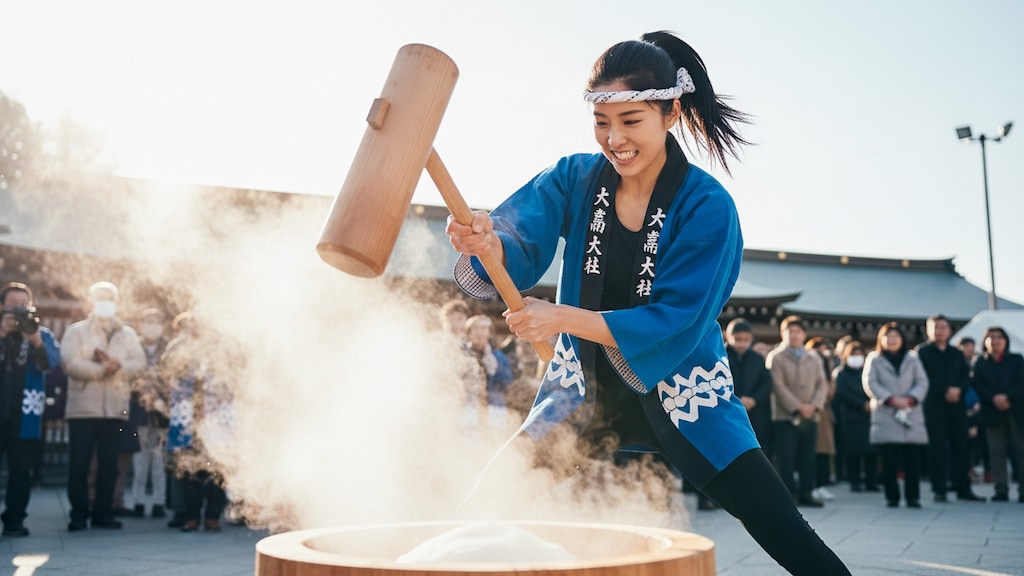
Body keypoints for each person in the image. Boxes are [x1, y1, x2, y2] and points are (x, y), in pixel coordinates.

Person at [445, 31, 849, 575]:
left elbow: (677, 318)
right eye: (602, 122)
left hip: (688, 399)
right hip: (580, 392)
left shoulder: (708, 205)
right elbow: (517, 240)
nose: (614, 139)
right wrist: (488, 243)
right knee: (481, 509)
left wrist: (561, 317)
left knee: (785, 532)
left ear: (671, 114)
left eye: (631, 121)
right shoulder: (574, 177)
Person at [60, 281, 146, 531]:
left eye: (110, 297)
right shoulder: (76, 331)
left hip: (116, 410)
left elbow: (138, 364)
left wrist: (117, 366)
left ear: (117, 303)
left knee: (110, 465)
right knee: (79, 464)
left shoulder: (128, 334)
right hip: (82, 410)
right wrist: (101, 369)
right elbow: (70, 364)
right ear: (90, 301)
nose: (105, 302)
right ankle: (78, 513)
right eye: (100, 297)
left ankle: (103, 513)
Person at [0, 282, 61, 536]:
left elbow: (51, 364)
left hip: (25, 413)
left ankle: (14, 520)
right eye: (13, 304)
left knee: (21, 471)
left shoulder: (42, 333)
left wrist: (35, 341)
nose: (18, 309)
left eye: (23, 305)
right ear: (2, 306)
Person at [162, 311, 231, 531]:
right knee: (190, 467)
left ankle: (213, 515)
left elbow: (235, 374)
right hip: (187, 413)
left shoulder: (222, 346)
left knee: (218, 467)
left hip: (217, 414)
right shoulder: (178, 346)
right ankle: (191, 515)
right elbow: (166, 370)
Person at [915, 314, 984, 503]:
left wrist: (958, 390)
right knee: (937, 448)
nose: (940, 330)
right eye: (936, 327)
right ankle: (939, 488)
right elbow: (923, 378)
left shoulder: (956, 353)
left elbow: (965, 376)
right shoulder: (922, 352)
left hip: (957, 406)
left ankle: (963, 487)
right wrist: (944, 390)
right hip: (934, 405)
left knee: (961, 447)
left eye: (943, 327)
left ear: (949, 330)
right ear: (928, 330)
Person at [863, 322, 929, 508]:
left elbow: (922, 382)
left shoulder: (913, 358)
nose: (892, 341)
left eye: (896, 337)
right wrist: (890, 399)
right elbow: (870, 383)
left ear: (902, 339)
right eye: (888, 337)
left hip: (910, 411)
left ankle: (913, 496)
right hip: (886, 412)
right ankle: (892, 496)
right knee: (889, 460)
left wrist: (910, 399)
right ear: (881, 340)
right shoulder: (874, 359)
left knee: (912, 460)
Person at [766, 316, 829, 508]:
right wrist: (797, 406)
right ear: (783, 334)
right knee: (786, 458)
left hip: (811, 415)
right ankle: (788, 495)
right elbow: (777, 385)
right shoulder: (775, 357)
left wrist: (813, 405)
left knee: (807, 457)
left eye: (798, 331)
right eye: (790, 331)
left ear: (804, 334)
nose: (794, 335)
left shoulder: (814, 357)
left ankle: (807, 492)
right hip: (785, 415)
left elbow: (822, 384)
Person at [971, 326, 1024, 502]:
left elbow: (1021, 382)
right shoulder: (980, 362)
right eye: (991, 337)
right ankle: (1001, 489)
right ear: (985, 341)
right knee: (996, 452)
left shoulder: (1017, 360)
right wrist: (994, 398)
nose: (995, 341)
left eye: (999, 337)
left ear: (1006, 340)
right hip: (992, 412)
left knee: (1020, 450)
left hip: (1015, 410)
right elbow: (977, 385)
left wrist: (1007, 397)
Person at [129, 308, 171, 518]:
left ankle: (158, 501)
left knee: (158, 459)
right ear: (141, 325)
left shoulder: (168, 347)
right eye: (148, 321)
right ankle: (137, 501)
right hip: (140, 407)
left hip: (162, 409)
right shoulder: (133, 345)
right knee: (140, 457)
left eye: (157, 321)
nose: (152, 325)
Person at [833, 341, 878, 492]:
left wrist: (871, 403)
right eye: (853, 355)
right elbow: (842, 393)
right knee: (853, 452)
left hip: (870, 416)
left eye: (859, 354)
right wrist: (861, 404)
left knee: (872, 452)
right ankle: (855, 481)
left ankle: (871, 481)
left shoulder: (868, 371)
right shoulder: (841, 373)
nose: (856, 358)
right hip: (851, 416)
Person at [724, 319, 772, 457]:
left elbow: (766, 382)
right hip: (729, 410)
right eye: (737, 338)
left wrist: (754, 399)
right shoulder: (720, 355)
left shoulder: (757, 358)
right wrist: (738, 399)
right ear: (728, 336)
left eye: (746, 339)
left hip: (755, 411)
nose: (741, 342)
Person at [465, 314, 516, 431]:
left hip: (495, 405)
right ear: (468, 333)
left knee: (495, 439)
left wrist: (493, 371)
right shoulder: (462, 354)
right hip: (468, 405)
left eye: (483, 328)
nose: (479, 333)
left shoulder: (498, 357)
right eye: (475, 328)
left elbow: (507, 381)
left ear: (489, 333)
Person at [805, 336, 837, 502]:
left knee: (823, 450)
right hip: (803, 409)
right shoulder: (806, 362)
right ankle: (809, 485)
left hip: (822, 412)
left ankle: (821, 484)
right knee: (807, 452)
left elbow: (829, 392)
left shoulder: (827, 366)